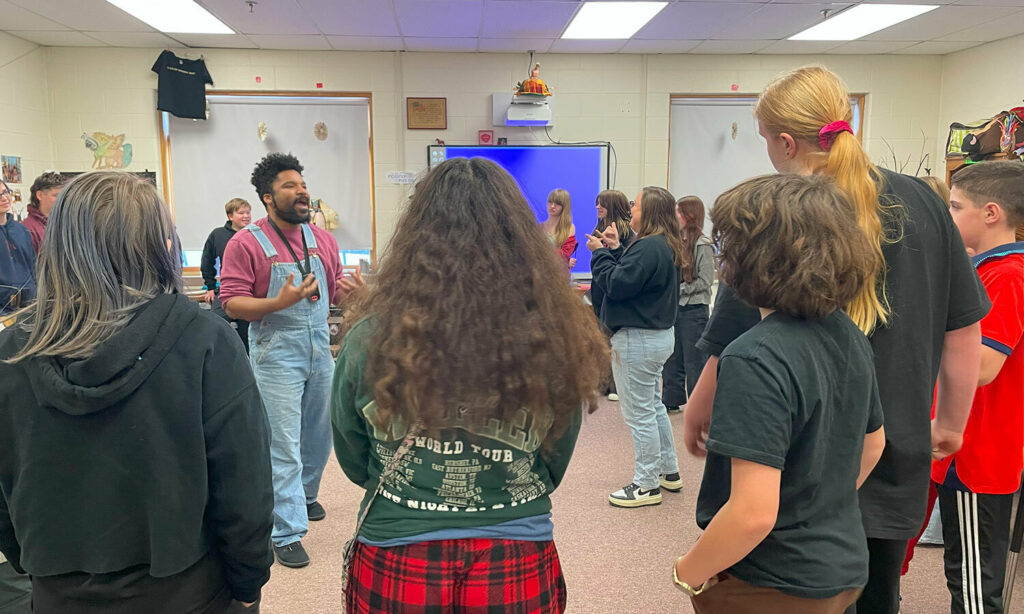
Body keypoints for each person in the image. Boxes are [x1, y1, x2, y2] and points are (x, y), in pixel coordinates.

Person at [680, 66, 990, 614]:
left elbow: (732, 332)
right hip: (892, 447)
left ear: (784, 141)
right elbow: (963, 329)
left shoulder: (779, 214)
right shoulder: (923, 202)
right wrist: (949, 425)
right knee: (875, 594)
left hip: (794, 464)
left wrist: (702, 405)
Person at [332, 157, 607, 613]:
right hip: (516, 545)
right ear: (520, 237)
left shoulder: (369, 337)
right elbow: (555, 455)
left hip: (398, 541)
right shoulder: (554, 336)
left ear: (417, 237)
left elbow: (352, 455)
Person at [0, 171, 273, 613]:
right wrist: (248, 583)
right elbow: (245, 486)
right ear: (159, 243)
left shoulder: (11, 351)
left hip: (58, 593)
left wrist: (38, 568)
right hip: (187, 592)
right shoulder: (205, 340)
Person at [675, 173, 886, 614]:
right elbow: (873, 443)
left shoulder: (753, 357)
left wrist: (687, 571)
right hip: (840, 567)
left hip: (771, 583)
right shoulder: (848, 334)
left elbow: (752, 514)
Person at [220, 152, 359, 569]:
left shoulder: (322, 238)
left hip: (320, 344)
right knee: (283, 443)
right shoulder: (245, 243)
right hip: (276, 348)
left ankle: (306, 495)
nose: (301, 192)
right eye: (288, 186)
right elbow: (230, 303)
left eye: (302, 185)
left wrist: (352, 293)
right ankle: (286, 530)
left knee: (320, 433)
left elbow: (331, 287)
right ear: (266, 197)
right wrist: (274, 303)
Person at [931, 161, 1024, 614]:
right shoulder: (986, 270)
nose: (947, 216)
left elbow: (984, 366)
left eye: (954, 206)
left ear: (990, 213)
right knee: (963, 569)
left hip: (978, 452)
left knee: (972, 586)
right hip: (968, 446)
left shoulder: (1006, 276)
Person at [587, 186, 684, 507]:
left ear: (652, 211)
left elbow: (616, 285)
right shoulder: (661, 245)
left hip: (638, 339)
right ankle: (668, 472)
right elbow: (632, 278)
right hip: (657, 336)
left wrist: (599, 254)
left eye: (637, 204)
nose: (631, 209)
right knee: (653, 407)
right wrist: (614, 250)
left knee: (639, 414)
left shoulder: (649, 247)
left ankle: (645, 485)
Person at [662, 196, 713, 414]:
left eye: (678, 212)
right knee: (673, 358)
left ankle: (697, 405)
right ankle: (671, 400)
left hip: (694, 310)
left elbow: (706, 280)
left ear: (690, 216)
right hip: (677, 308)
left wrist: (678, 290)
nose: (674, 216)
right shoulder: (675, 241)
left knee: (695, 360)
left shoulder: (703, 244)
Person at [590, 189, 635, 402]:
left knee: (613, 341)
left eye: (602, 204)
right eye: (597, 203)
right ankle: (603, 383)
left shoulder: (626, 233)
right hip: (599, 288)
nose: (598, 207)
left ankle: (616, 384)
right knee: (601, 340)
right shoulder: (599, 228)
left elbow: (623, 264)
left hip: (613, 291)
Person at [201, 197, 253, 352]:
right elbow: (207, 261)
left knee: (249, 334)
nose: (246, 216)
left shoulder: (255, 235)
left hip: (249, 293)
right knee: (213, 326)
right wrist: (210, 287)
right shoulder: (218, 235)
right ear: (230, 216)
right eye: (241, 213)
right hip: (226, 291)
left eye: (248, 212)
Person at [0, 181, 34, 318]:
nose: (4, 198)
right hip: (3, 314)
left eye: (5, 192)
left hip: (28, 308)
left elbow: (33, 268)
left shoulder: (21, 231)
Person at [21, 172, 64, 252]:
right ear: (40, 195)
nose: (61, 200)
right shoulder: (27, 230)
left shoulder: (63, 223)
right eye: (56, 196)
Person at [542, 188, 577, 269]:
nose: (552, 206)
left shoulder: (569, 228)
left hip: (558, 275)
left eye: (557, 203)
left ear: (564, 206)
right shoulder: (539, 228)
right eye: (550, 202)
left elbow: (564, 255)